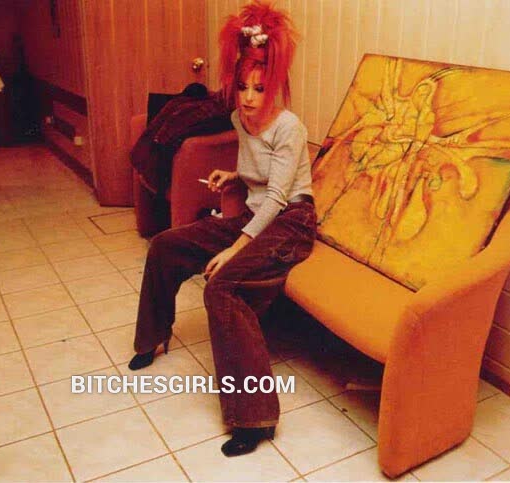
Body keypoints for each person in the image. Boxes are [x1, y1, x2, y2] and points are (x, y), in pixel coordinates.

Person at [128, 1, 315, 457]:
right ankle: (152, 336)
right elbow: (259, 180)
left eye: (260, 88)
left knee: (222, 286)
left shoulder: (289, 127)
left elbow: (279, 195)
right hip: (256, 217)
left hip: (290, 223)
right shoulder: (238, 119)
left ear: (275, 86)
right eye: (243, 87)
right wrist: (232, 177)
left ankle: (255, 417)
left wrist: (234, 249)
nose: (249, 98)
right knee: (167, 244)